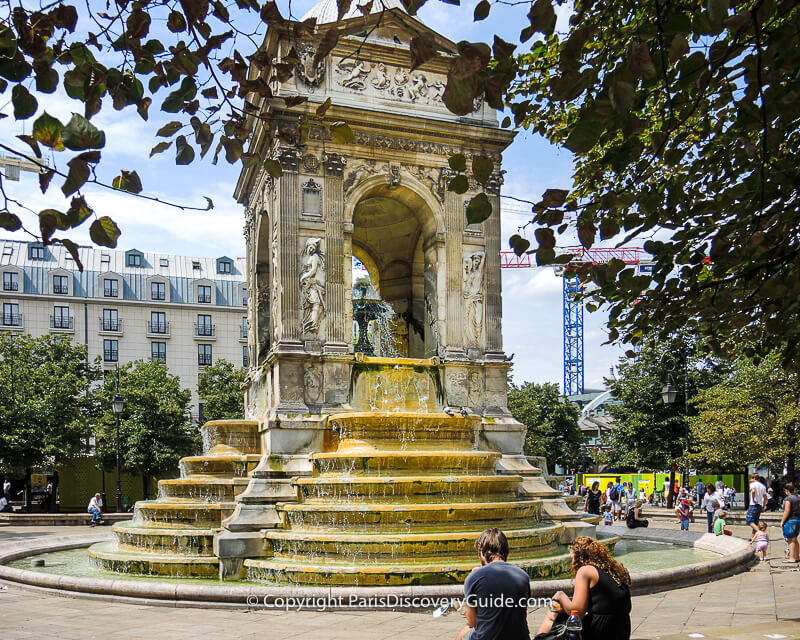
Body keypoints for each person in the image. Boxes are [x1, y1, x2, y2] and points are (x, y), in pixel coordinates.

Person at [537, 536, 632, 640]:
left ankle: (539, 638)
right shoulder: (613, 570)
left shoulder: (585, 571)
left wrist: (560, 595)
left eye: (572, 558)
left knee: (554, 610)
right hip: (621, 629)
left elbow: (577, 612)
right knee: (559, 609)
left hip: (600, 631)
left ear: (579, 557)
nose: (572, 563)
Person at [457, 528, 530, 640]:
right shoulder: (523, 575)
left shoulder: (474, 577)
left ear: (482, 552)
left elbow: (472, 622)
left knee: (464, 633)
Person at [781, 483, 800, 564]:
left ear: (787, 490)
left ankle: (792, 558)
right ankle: (797, 557)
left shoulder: (788, 499)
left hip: (791, 520)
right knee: (795, 539)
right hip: (798, 519)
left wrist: (782, 521)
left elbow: (787, 511)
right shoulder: (798, 498)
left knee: (790, 539)